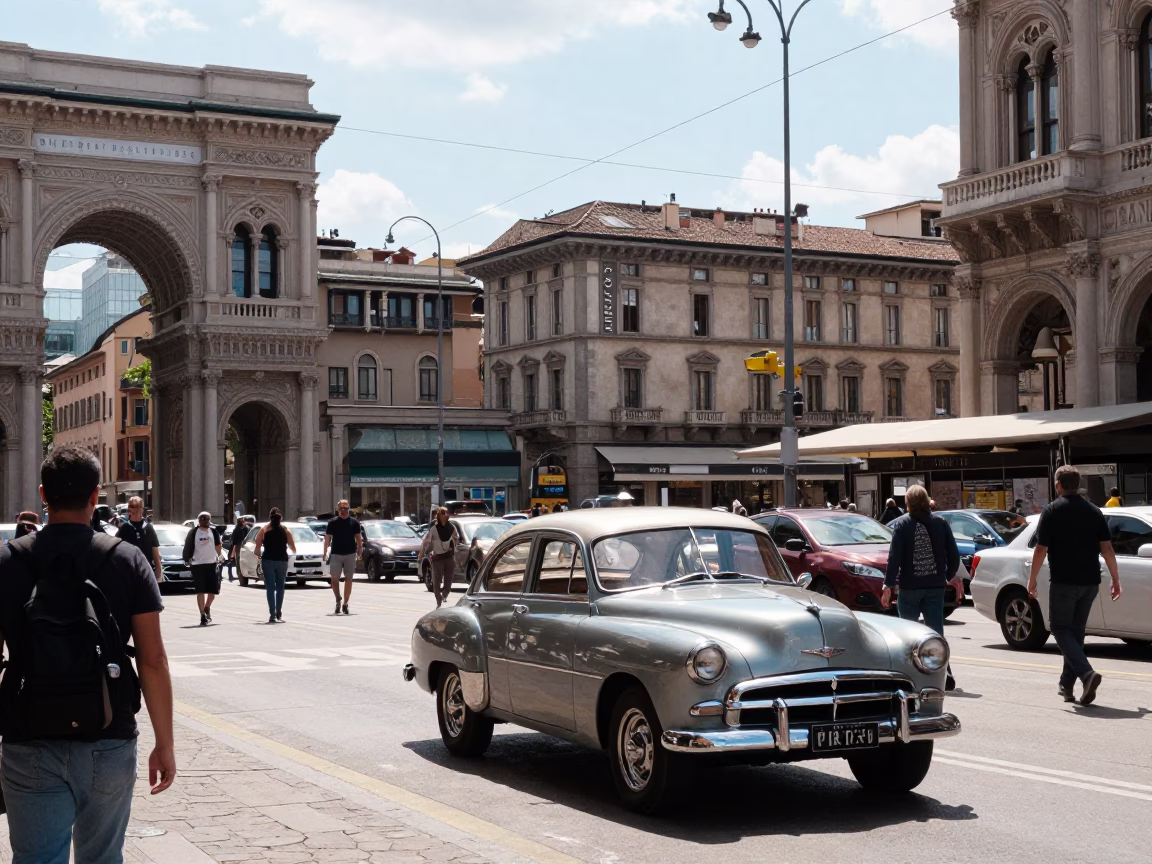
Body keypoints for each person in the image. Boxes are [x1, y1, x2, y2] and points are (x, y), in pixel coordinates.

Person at [0, 446, 175, 861]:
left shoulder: (8, 561)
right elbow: (152, 660)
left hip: (28, 737)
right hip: (108, 736)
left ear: (43, 495)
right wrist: (164, 743)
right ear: (96, 497)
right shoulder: (127, 559)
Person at [1028, 466, 1122, 706]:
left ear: (1058, 484)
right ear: (1077, 484)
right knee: (1075, 634)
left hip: (1064, 582)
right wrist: (1115, 578)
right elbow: (1107, 548)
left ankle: (1087, 674)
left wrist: (1032, 578)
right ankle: (1066, 685)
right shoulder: (1094, 511)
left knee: (1059, 629)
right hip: (1090, 581)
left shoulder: (1052, 511)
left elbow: (1040, 549)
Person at [881, 484, 960, 691]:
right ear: (926, 501)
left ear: (908, 503)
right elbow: (954, 556)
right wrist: (944, 577)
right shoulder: (941, 523)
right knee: (935, 632)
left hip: (910, 587)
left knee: (907, 633)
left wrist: (888, 584)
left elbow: (894, 558)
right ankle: (945, 673)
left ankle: (909, 675)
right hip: (935, 586)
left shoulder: (902, 525)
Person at [253, 508, 295, 624]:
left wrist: (258, 559)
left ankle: (272, 614)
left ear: (269, 517)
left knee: (270, 588)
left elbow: (257, 549)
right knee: (280, 587)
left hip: (268, 561)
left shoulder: (264, 530)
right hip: (282, 560)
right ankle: (279, 611)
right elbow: (293, 547)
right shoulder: (286, 530)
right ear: (280, 518)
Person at [183, 512, 222, 626]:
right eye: (202, 520)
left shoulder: (213, 532)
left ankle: (207, 607)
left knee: (213, 592)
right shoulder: (194, 532)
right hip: (197, 564)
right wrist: (186, 558)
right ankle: (202, 615)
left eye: (206, 520)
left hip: (212, 564)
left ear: (209, 520)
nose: (204, 521)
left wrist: (219, 557)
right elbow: (188, 546)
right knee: (200, 591)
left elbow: (218, 545)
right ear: (199, 521)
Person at [324, 500, 362, 615]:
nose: (344, 511)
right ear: (338, 510)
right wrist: (324, 551)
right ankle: (338, 599)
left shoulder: (354, 523)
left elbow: (358, 538)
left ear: (349, 509)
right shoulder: (333, 522)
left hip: (350, 554)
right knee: (334, 579)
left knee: (348, 579)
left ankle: (345, 603)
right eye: (341, 509)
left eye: (346, 509)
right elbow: (327, 538)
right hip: (336, 554)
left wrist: (360, 548)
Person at [116, 496, 162, 584]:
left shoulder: (148, 528)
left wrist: (158, 574)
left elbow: (155, 552)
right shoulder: (124, 528)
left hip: (146, 572)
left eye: (138, 507)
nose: (136, 510)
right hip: (128, 573)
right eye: (133, 507)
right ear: (129, 510)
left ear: (142, 509)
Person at [422, 507, 457, 608]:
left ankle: (445, 594)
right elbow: (426, 542)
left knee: (448, 581)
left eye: (446, 513)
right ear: (439, 515)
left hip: (449, 557)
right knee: (436, 582)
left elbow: (455, 538)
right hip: (437, 558)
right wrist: (423, 552)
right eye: (443, 513)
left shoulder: (451, 527)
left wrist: (454, 543)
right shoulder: (434, 529)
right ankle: (438, 601)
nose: (445, 515)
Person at [227, 514, 251, 582]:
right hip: (239, 546)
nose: (243, 520)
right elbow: (234, 540)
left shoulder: (245, 528)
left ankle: (242, 578)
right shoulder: (239, 529)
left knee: (241, 562)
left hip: (244, 546)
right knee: (238, 562)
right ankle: (241, 578)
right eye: (242, 519)